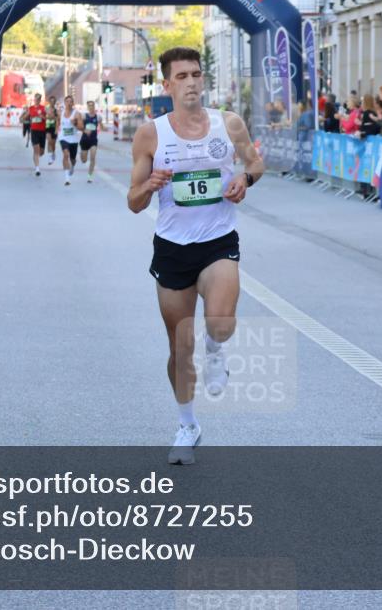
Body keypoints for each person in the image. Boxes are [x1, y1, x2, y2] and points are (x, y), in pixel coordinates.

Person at [127, 46, 264, 465]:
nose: (191, 83)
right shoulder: (151, 134)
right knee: (178, 347)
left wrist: (245, 177)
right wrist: (149, 184)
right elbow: (133, 202)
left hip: (218, 240)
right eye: (182, 76)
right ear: (167, 85)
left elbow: (256, 164)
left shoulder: (229, 124)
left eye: (196, 75)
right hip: (172, 248)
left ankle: (216, 348)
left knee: (220, 321)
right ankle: (188, 424)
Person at [57, 95, 83, 185]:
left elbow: (81, 128)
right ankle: (67, 178)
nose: (69, 103)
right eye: (67, 101)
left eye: (70, 101)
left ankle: (72, 167)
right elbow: (57, 121)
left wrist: (75, 123)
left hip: (74, 139)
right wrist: (56, 129)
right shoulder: (60, 113)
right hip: (63, 138)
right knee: (65, 154)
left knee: (73, 159)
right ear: (64, 103)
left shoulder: (77, 114)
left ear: (73, 103)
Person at [79, 99, 100, 183]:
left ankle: (90, 176)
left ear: (94, 106)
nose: (91, 107)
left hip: (93, 140)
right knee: (84, 160)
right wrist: (84, 130)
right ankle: (82, 155)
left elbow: (101, 126)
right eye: (89, 106)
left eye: (92, 105)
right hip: (84, 140)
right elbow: (79, 126)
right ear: (87, 107)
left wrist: (104, 127)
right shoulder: (84, 116)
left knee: (93, 157)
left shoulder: (98, 117)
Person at [27, 92, 47, 176]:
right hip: (34, 131)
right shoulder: (30, 108)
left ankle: (38, 156)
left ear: (40, 100)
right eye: (35, 99)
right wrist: (23, 118)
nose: (36, 101)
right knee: (36, 149)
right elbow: (27, 116)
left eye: (38, 99)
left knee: (41, 152)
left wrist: (41, 116)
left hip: (42, 131)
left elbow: (47, 118)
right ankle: (37, 169)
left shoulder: (43, 108)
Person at [45, 96, 59, 164]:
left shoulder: (56, 110)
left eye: (53, 101)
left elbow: (57, 120)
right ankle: (50, 157)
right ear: (49, 101)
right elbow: (43, 117)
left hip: (54, 128)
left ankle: (53, 152)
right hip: (47, 127)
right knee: (49, 141)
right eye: (51, 101)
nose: (52, 103)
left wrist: (56, 129)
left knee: (53, 144)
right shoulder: (46, 109)